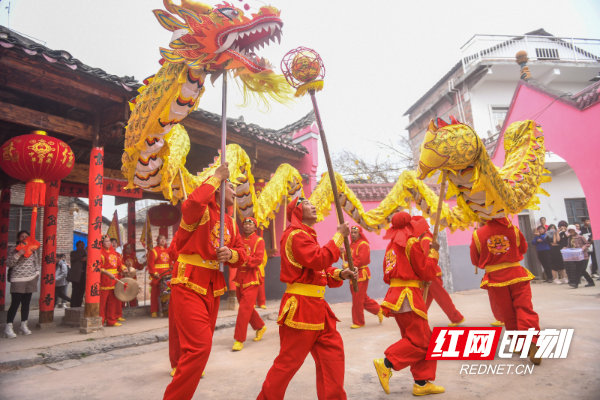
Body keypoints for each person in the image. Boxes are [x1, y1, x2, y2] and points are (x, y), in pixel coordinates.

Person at [256, 196, 357, 400]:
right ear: (297, 211)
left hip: (319, 307)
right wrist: (338, 237)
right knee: (289, 362)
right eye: (308, 204)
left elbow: (315, 269)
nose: (314, 206)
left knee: (333, 356)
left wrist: (340, 274)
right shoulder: (296, 235)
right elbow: (318, 259)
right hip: (301, 307)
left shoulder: (306, 235)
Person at [163, 163, 247, 400]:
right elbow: (192, 203)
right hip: (189, 283)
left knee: (200, 349)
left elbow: (242, 251)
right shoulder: (200, 213)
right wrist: (215, 176)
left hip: (212, 287)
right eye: (230, 185)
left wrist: (231, 255)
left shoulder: (230, 222)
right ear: (218, 189)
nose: (234, 191)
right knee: (199, 347)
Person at [373, 212, 445, 396]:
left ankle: (421, 383)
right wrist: (434, 253)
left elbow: (388, 272)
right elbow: (427, 271)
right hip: (408, 297)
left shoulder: (391, 244)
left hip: (397, 295)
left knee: (417, 338)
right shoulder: (410, 242)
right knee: (423, 342)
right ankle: (387, 363)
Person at [470, 217, 542, 365]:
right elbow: (523, 249)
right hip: (516, 273)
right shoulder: (513, 229)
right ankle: (532, 340)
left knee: (507, 313)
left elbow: (475, 260)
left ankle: (520, 344)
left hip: (496, 278)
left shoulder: (478, 233)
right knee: (524, 308)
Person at [414, 216, 465, 327]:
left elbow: (426, 259)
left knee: (441, 298)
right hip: (430, 273)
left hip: (430, 273)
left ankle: (456, 317)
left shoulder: (425, 239)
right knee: (424, 298)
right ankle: (419, 319)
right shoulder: (425, 238)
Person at [232, 217, 267, 351]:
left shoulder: (259, 240)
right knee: (245, 307)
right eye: (245, 224)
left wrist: (242, 259)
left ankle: (239, 339)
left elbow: (258, 259)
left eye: (249, 225)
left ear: (255, 227)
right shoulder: (238, 239)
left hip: (252, 277)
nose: (247, 227)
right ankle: (260, 326)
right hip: (239, 276)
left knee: (243, 309)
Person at [341, 225, 383, 329]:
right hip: (353, 274)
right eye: (352, 232)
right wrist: (342, 253)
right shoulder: (352, 245)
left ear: (360, 233)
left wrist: (347, 265)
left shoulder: (363, 244)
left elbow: (361, 260)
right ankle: (378, 309)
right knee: (361, 297)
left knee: (357, 299)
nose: (353, 234)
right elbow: (349, 257)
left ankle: (359, 322)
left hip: (361, 274)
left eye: (355, 232)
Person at [4, 230, 39, 339]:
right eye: (21, 237)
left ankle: (24, 324)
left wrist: (37, 273)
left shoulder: (32, 249)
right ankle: (8, 326)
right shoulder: (13, 249)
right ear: (18, 238)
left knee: (26, 303)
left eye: (26, 236)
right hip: (18, 278)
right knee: (15, 303)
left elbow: (36, 262)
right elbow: (8, 263)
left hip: (31, 278)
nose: (24, 238)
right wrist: (18, 254)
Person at [99, 235, 128, 326]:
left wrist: (124, 269)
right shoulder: (100, 253)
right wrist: (108, 274)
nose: (108, 243)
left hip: (115, 279)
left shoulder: (114, 253)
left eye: (109, 241)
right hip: (105, 279)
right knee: (103, 302)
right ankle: (101, 320)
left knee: (112, 301)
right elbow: (99, 267)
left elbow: (119, 264)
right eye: (106, 241)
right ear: (102, 243)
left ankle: (111, 320)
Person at [149, 235, 172, 318]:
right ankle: (154, 311)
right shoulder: (154, 251)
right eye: (161, 239)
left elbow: (170, 263)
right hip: (158, 275)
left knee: (167, 293)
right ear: (157, 240)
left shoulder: (167, 250)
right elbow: (151, 264)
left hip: (167, 274)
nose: (163, 240)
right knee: (155, 293)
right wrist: (154, 273)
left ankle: (166, 310)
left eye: (164, 239)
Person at [122, 243, 145, 307]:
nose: (129, 250)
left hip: (133, 277)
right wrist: (125, 264)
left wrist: (143, 264)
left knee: (132, 292)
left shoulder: (133, 257)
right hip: (125, 277)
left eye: (130, 248)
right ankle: (122, 307)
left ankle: (133, 306)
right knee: (124, 292)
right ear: (124, 249)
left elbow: (138, 266)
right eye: (127, 248)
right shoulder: (122, 257)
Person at [68, 241, 87, 307]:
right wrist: (85, 250)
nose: (82, 246)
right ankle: (73, 306)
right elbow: (77, 257)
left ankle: (79, 305)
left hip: (83, 275)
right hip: (76, 276)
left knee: (81, 292)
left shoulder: (85, 254)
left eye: (83, 245)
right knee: (75, 291)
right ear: (77, 246)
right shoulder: (73, 253)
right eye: (81, 245)